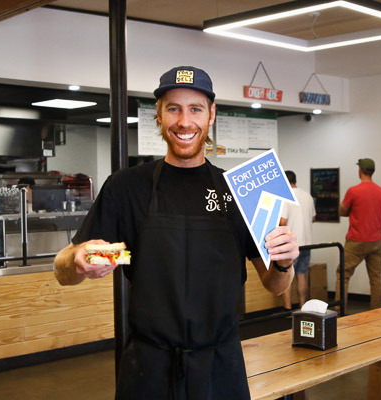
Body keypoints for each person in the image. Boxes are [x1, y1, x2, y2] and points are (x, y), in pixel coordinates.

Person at [53, 66, 298, 400]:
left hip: (220, 365)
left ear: (211, 114)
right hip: (148, 368)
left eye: (195, 109)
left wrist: (284, 262)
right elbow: (63, 270)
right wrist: (78, 260)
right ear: (159, 114)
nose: (185, 122)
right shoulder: (127, 187)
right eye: (174, 108)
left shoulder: (239, 192)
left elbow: (274, 284)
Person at [337, 158, 381, 312]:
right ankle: (377, 312)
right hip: (376, 240)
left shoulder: (353, 191)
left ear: (360, 171)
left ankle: (340, 311)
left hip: (356, 240)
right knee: (376, 278)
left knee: (343, 274)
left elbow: (342, 211)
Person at [279, 170, 316, 311]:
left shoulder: (286, 197)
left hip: (291, 245)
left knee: (286, 277)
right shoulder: (307, 195)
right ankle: (302, 305)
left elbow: (283, 221)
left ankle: (287, 307)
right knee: (301, 275)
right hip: (307, 243)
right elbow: (313, 217)